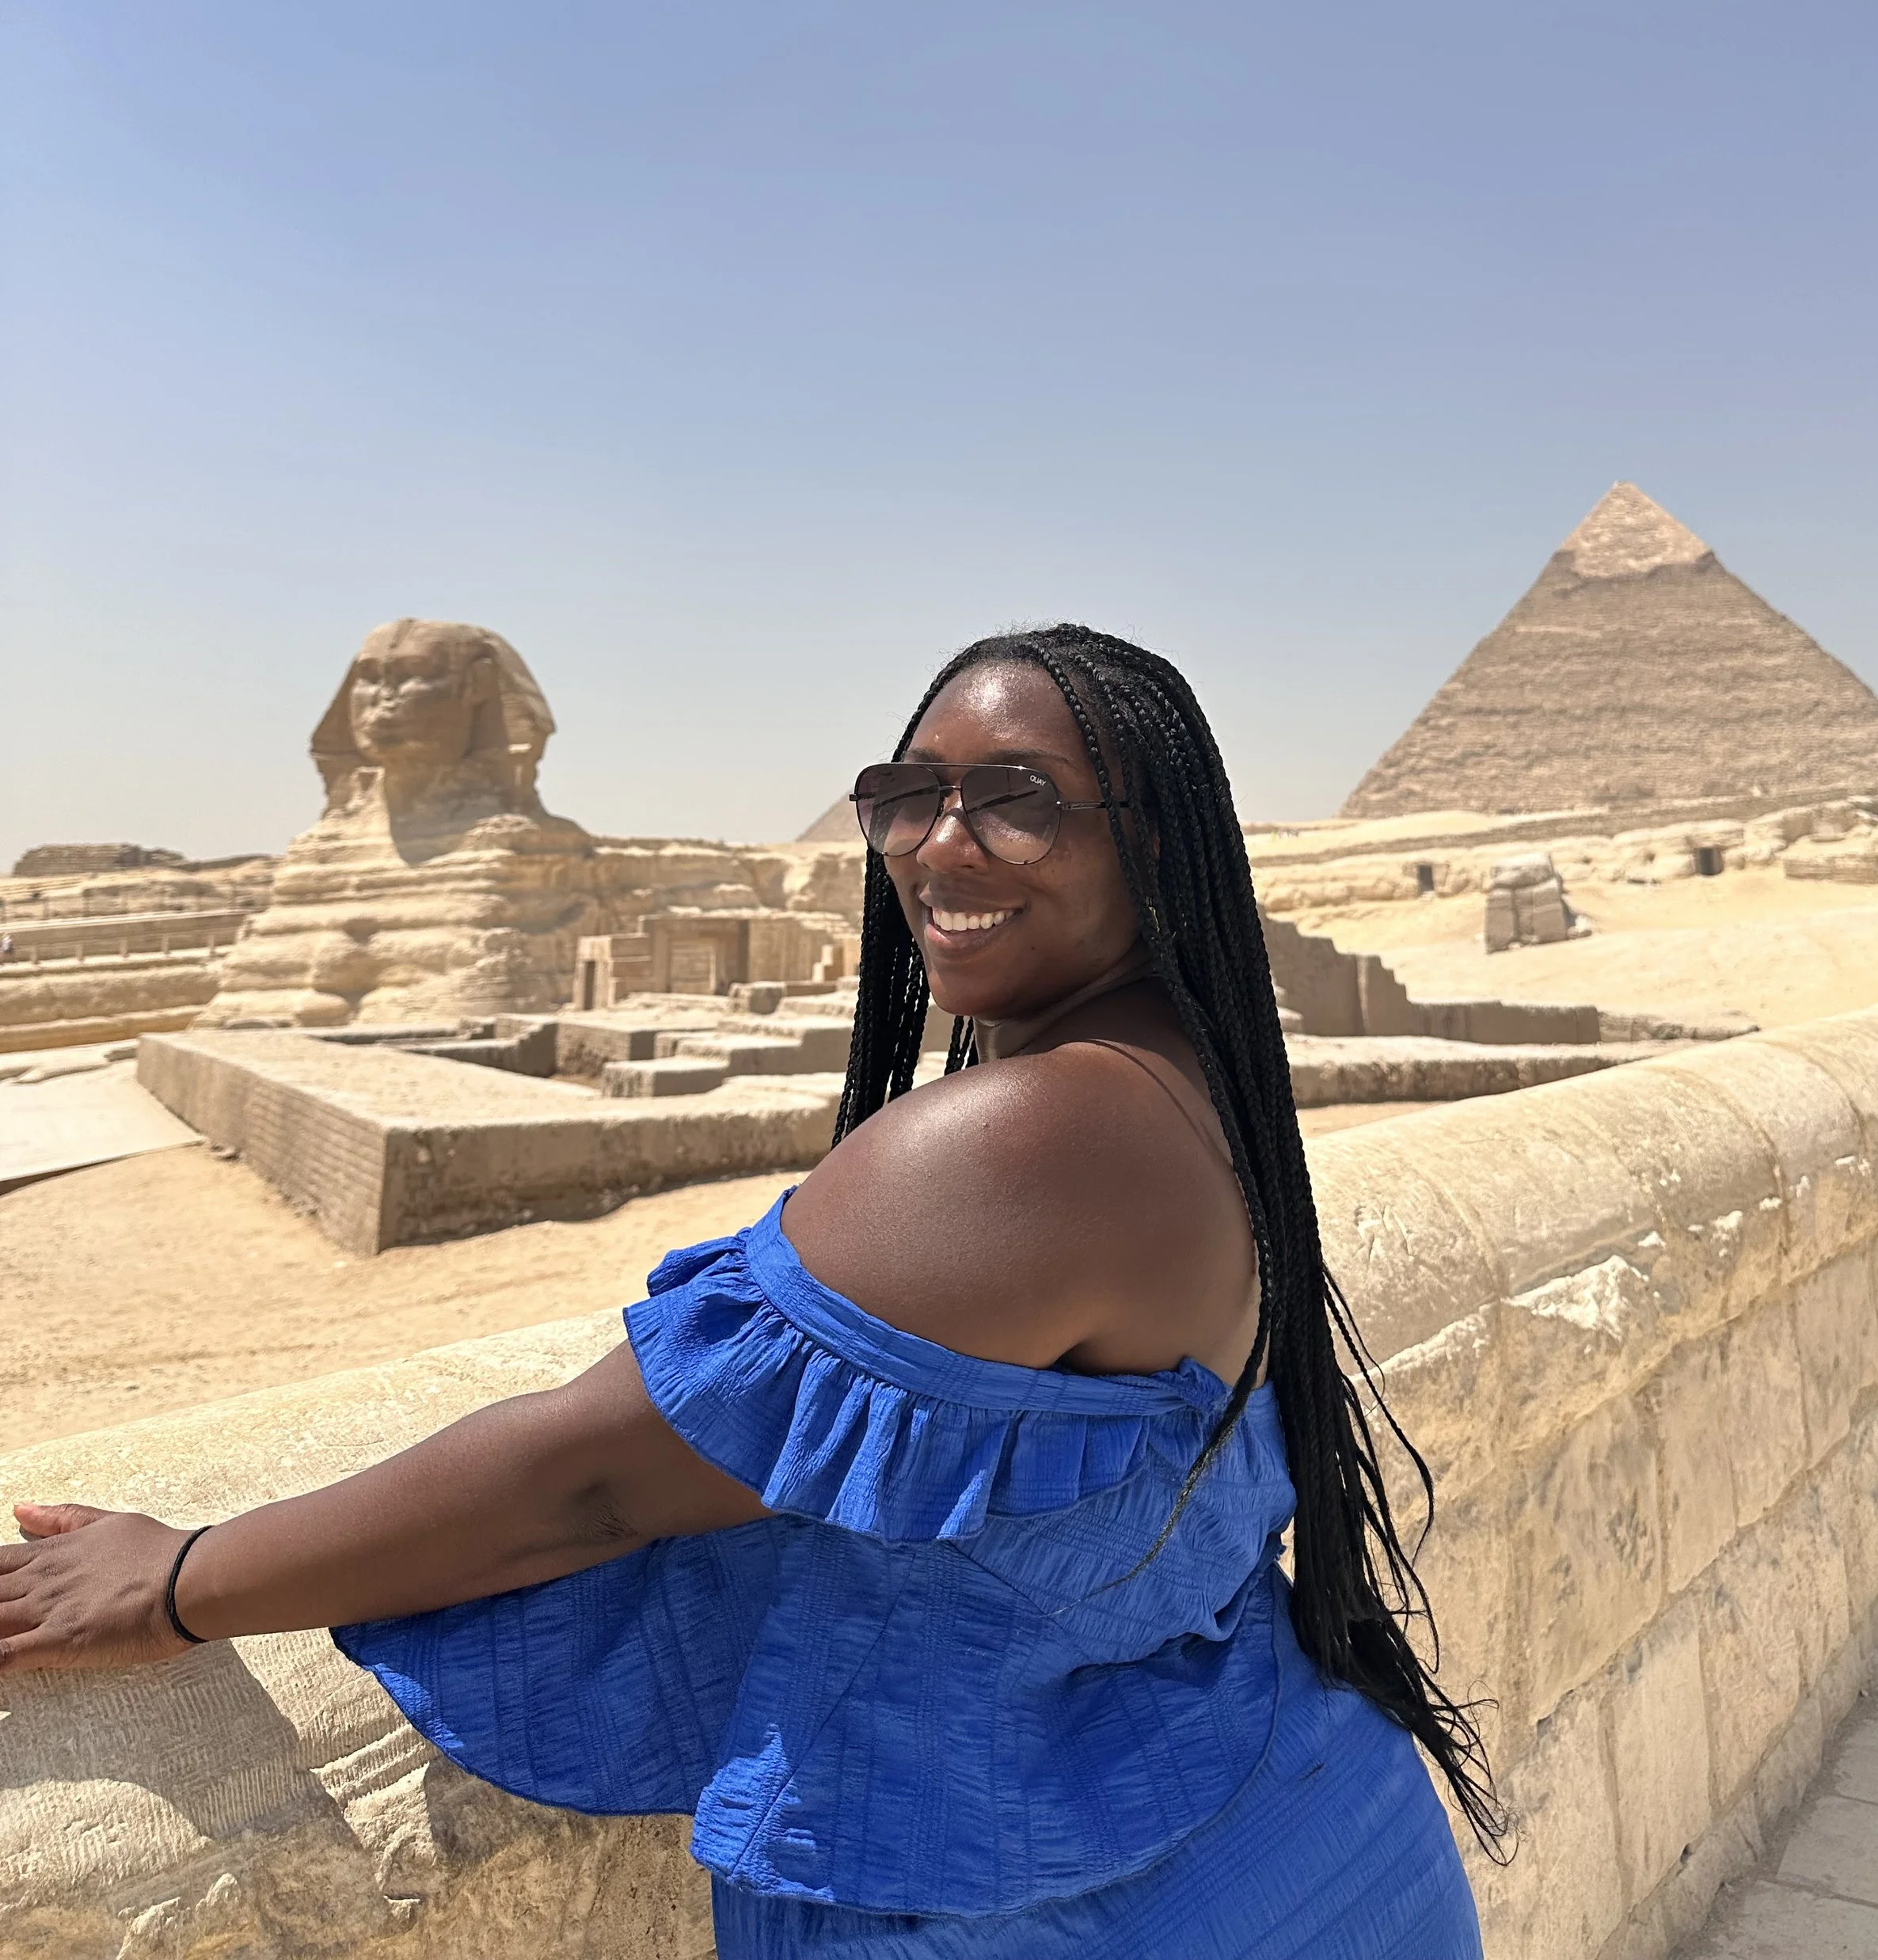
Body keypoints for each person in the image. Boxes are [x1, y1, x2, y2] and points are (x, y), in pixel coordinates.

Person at [1, 626, 1492, 1957]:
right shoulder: (1182, 1075)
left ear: (1156, 848)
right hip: (1288, 1816)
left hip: (1083, 1905)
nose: (941, 846)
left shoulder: (1032, 1136)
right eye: (910, 797)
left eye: (1021, 801)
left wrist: (183, 1578)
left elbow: (590, 1484)